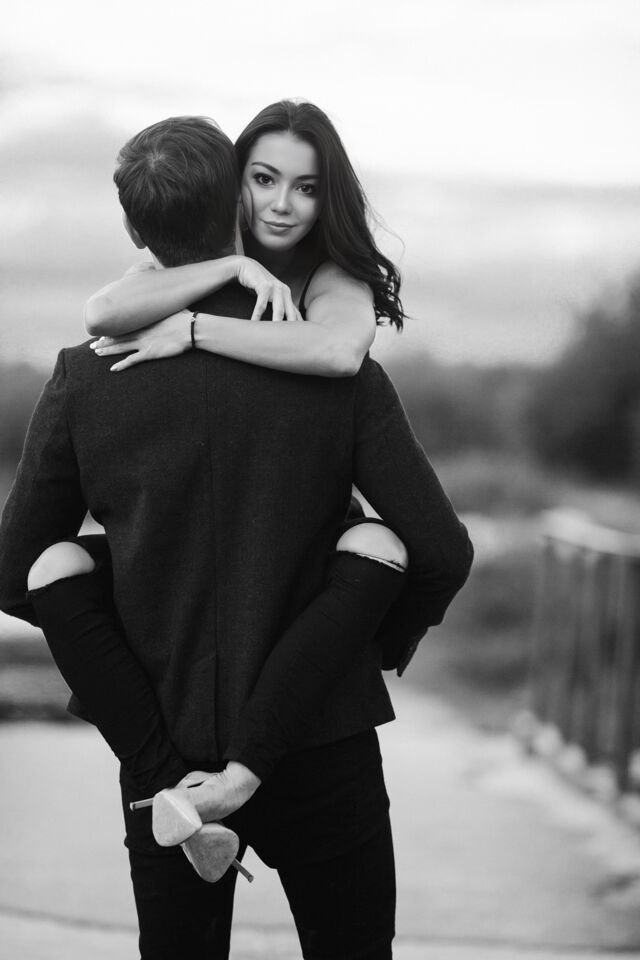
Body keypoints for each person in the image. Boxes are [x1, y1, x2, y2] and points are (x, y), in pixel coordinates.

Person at [0, 115, 473, 960]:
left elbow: (16, 573)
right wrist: (358, 644)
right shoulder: (331, 363)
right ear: (238, 207)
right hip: (322, 731)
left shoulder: (85, 374)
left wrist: (136, 617)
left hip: (165, 751)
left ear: (133, 230)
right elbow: (441, 552)